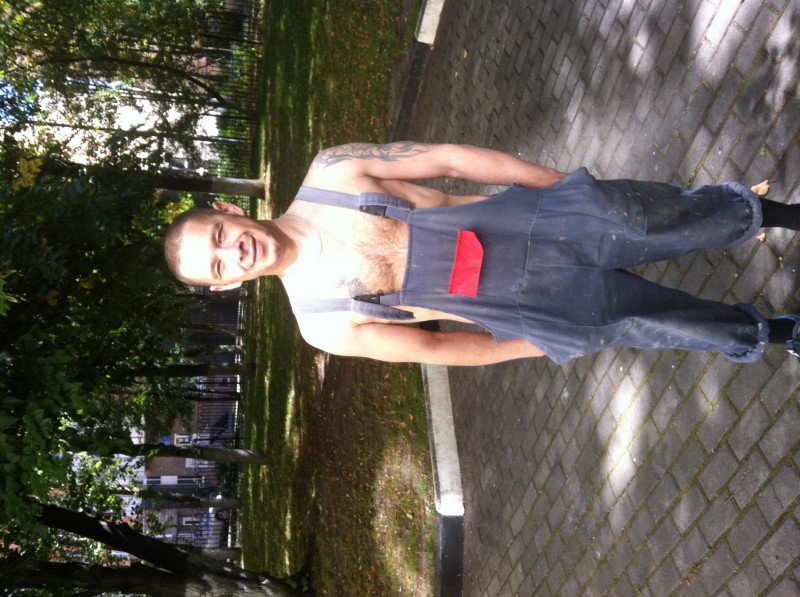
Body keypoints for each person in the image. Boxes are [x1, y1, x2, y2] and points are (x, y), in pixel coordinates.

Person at [164, 142, 800, 366]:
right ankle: (775, 332)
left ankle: (780, 216)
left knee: (661, 218)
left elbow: (450, 158)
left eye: (218, 236)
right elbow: (441, 350)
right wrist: (535, 341)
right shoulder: (321, 325)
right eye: (218, 266)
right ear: (226, 286)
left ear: (228, 211)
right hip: (540, 306)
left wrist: (555, 184)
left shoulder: (332, 171)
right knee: (666, 325)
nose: (233, 252)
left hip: (542, 221)